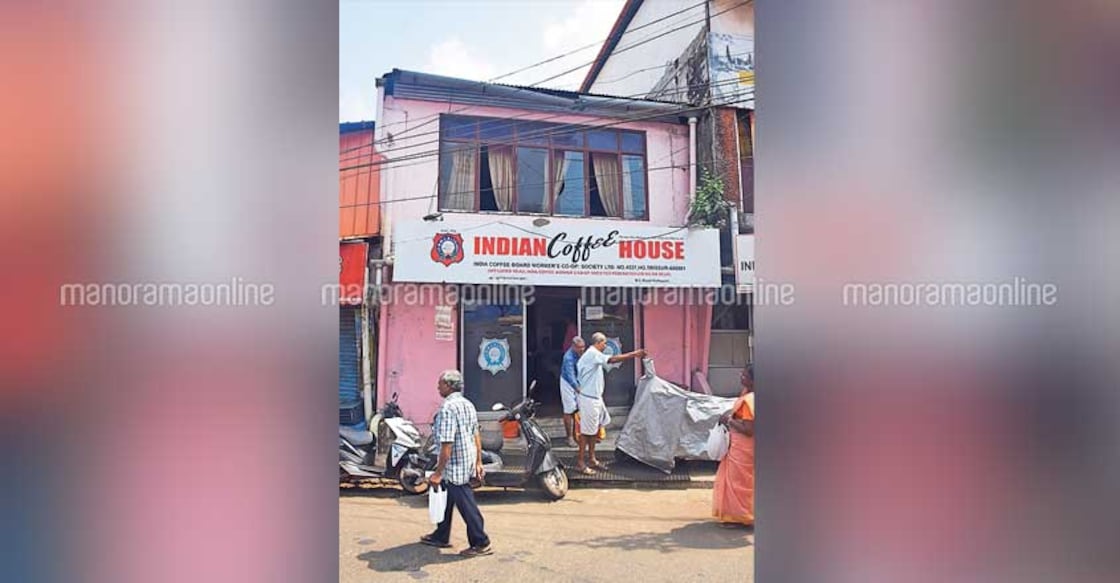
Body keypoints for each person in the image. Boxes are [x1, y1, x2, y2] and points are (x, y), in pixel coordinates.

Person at [421, 370, 493, 556]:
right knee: (447, 498)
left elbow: (447, 443)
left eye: (440, 383)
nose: (438, 387)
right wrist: (478, 461)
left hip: (454, 464)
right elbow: (475, 433)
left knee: (466, 504)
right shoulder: (467, 404)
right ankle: (441, 535)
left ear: (449, 386)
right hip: (467, 459)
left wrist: (437, 473)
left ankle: (481, 541)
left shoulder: (447, 408)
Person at [575, 332, 646, 474]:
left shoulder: (593, 354)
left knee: (594, 430)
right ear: (598, 343)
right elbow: (612, 360)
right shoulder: (592, 353)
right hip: (589, 399)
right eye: (604, 343)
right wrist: (634, 354)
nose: (606, 346)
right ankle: (581, 462)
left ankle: (592, 459)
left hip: (595, 398)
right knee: (586, 432)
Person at [713, 364, 755, 528]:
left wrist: (729, 421)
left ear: (753, 380)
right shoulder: (748, 396)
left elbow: (748, 429)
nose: (741, 377)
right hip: (740, 446)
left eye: (744, 375)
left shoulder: (750, 400)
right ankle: (738, 516)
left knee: (739, 484)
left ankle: (741, 518)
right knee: (740, 482)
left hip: (744, 449)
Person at [559, 336, 586, 447]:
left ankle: (577, 435)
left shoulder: (582, 354)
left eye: (583, 347)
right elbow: (570, 376)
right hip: (567, 383)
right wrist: (577, 388)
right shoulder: (568, 357)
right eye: (579, 347)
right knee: (569, 409)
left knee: (579, 409)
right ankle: (569, 437)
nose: (582, 349)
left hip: (579, 381)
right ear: (573, 346)